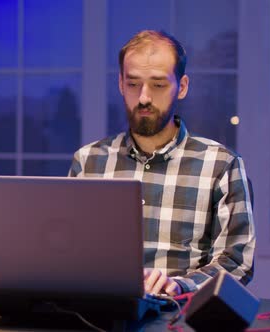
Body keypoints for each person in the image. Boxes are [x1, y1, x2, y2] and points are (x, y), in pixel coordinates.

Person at [68, 30, 255, 296]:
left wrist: (180, 285)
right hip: (102, 314)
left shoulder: (222, 164)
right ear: (120, 84)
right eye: (133, 84)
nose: (144, 97)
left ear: (183, 86)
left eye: (158, 85)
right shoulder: (88, 162)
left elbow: (238, 261)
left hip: (180, 314)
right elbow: (69, 251)